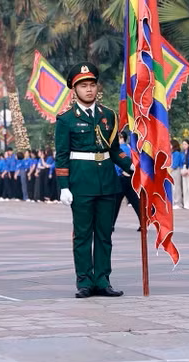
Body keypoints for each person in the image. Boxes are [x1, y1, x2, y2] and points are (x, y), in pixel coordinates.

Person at [55, 62, 132, 299]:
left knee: (104, 234)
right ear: (74, 89)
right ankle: (85, 281)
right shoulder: (66, 119)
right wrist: (64, 187)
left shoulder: (108, 115)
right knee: (82, 235)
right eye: (83, 86)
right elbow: (61, 155)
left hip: (107, 182)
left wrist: (132, 167)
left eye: (92, 85)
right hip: (81, 183)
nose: (89, 90)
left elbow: (114, 150)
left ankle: (102, 280)